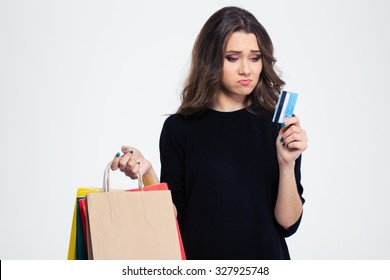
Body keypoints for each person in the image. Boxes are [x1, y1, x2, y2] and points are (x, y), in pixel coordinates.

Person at [111, 6, 308, 260]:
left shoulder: (277, 126)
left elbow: (288, 225)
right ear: (211, 59)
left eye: (255, 57)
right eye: (233, 57)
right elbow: (174, 224)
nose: (246, 70)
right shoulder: (179, 129)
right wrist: (148, 173)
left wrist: (286, 164)